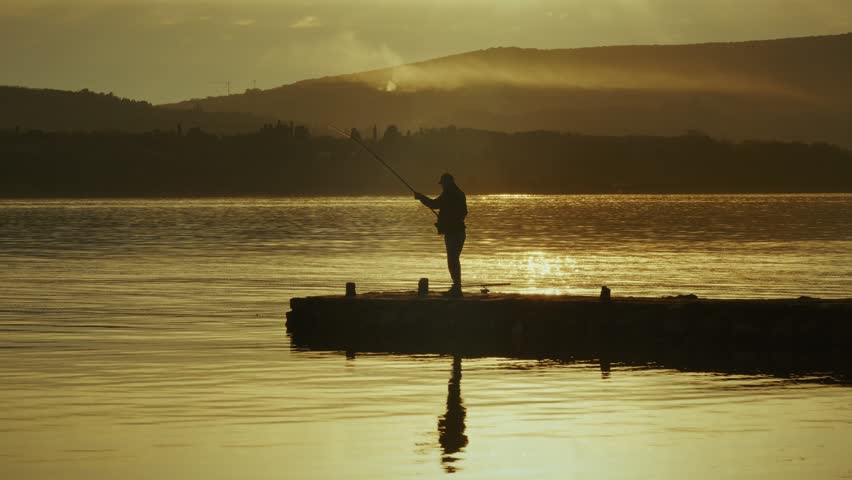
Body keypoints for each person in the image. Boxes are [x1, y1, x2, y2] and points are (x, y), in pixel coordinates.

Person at [415, 173, 467, 297]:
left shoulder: (450, 193)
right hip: (458, 231)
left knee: (452, 260)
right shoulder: (458, 193)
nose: (442, 186)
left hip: (454, 232)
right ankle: (456, 287)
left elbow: (434, 204)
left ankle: (457, 288)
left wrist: (421, 197)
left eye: (443, 183)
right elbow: (464, 212)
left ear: (447, 183)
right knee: (453, 259)